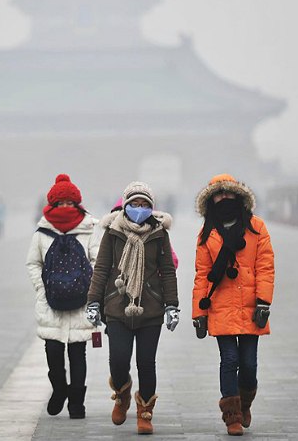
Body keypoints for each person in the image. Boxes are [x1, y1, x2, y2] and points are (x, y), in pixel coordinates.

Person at [86, 181, 179, 435]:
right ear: (126, 206)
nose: (139, 208)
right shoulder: (113, 232)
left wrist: (172, 305)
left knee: (146, 362)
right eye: (135, 204)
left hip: (150, 308)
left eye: (144, 204)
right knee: (118, 361)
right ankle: (122, 393)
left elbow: (168, 271)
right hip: (117, 307)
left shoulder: (159, 234)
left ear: (151, 208)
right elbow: (102, 269)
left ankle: (145, 412)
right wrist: (93, 301)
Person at [192, 174, 275, 437]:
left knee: (249, 365)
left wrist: (264, 302)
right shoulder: (207, 233)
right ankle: (232, 416)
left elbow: (265, 266)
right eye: (219, 194)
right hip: (221, 305)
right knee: (229, 360)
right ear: (211, 199)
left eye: (228, 194)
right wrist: (199, 313)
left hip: (251, 306)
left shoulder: (257, 227)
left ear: (238, 196)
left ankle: (245, 402)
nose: (224, 199)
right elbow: (202, 273)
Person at [26, 174, 99, 419]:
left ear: (77, 204)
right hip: (51, 303)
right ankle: (59, 389)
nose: (66, 207)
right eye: (61, 203)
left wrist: (89, 288)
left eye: (70, 202)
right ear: (53, 205)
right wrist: (41, 287)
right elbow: (33, 263)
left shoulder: (89, 229)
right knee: (54, 353)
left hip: (80, 302)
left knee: (78, 353)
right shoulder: (42, 232)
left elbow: (98, 261)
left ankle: (77, 403)